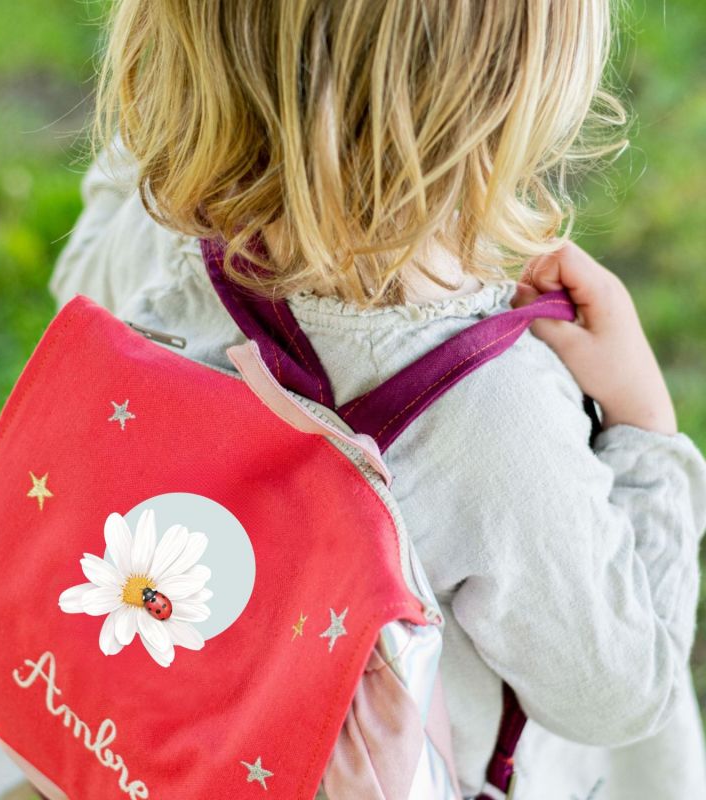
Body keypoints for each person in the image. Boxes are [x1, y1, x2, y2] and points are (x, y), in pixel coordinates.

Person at [48, 1, 706, 797]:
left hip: (167, 748)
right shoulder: (495, 417)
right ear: (508, 96)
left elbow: (79, 288)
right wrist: (644, 428)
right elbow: (618, 696)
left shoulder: (161, 243)